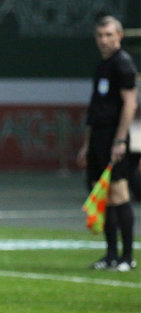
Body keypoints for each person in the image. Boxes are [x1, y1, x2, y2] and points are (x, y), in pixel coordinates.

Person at [77, 15, 138, 272]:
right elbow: (96, 109)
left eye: (109, 35)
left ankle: (127, 257)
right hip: (98, 138)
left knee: (119, 193)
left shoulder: (123, 63)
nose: (104, 40)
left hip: (114, 136)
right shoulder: (103, 65)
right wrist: (87, 144)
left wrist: (120, 140)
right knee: (105, 195)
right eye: (100, 35)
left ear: (119, 36)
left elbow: (130, 104)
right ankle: (111, 255)